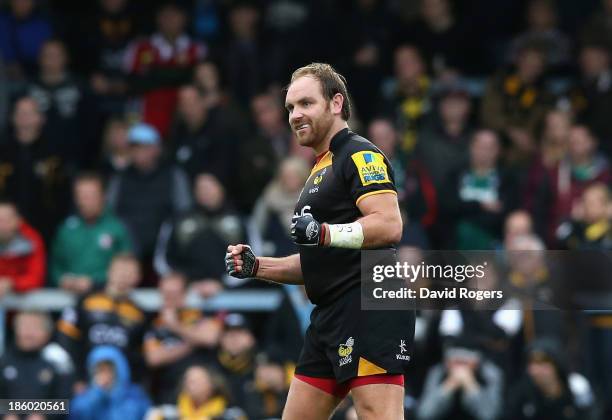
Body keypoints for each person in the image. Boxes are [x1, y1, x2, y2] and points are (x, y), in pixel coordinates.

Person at [226, 63, 414, 419]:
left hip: (369, 302)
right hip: (329, 313)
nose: (296, 115)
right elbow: (319, 262)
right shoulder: (318, 168)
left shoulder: (361, 154)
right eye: (291, 108)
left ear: (336, 103)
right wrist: (257, 266)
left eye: (306, 104)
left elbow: (389, 225)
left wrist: (325, 232)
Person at [56, 253, 147, 383]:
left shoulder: (139, 313)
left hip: (121, 384)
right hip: (86, 380)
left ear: (138, 277)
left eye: (129, 272)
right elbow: (65, 338)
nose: (123, 276)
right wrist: (77, 379)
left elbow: (140, 357)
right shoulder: (86, 301)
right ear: (109, 271)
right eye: (120, 270)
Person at [144, 272, 221, 404]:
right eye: (165, 293)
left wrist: (175, 326)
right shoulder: (154, 321)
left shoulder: (200, 313)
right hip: (169, 389)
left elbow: (210, 338)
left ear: (185, 294)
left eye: (174, 293)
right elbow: (153, 358)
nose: (169, 298)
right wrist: (193, 342)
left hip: (204, 389)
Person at [50, 172, 132, 293]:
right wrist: (62, 279)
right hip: (68, 298)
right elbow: (55, 264)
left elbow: (128, 267)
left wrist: (95, 282)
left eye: (91, 195)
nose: (85, 201)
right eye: (81, 196)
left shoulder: (118, 227)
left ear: (103, 196)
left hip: (106, 297)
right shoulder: (66, 229)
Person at [70, 345, 151, 420]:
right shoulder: (85, 395)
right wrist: (97, 393)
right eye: (100, 370)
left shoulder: (135, 394)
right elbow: (78, 414)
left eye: (109, 370)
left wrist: (115, 393)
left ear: (119, 370)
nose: (105, 375)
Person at [0, 311, 62, 400]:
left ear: (47, 333)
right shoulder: (3, 361)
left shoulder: (57, 360)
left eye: (35, 328)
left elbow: (65, 401)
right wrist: (6, 413)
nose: (28, 333)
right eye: (24, 327)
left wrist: (44, 413)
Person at [0, 199, 45, 296]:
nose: (2, 225)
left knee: (30, 311)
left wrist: (12, 283)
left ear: (18, 220)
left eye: (7, 220)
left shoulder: (31, 240)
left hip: (24, 301)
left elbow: (36, 278)